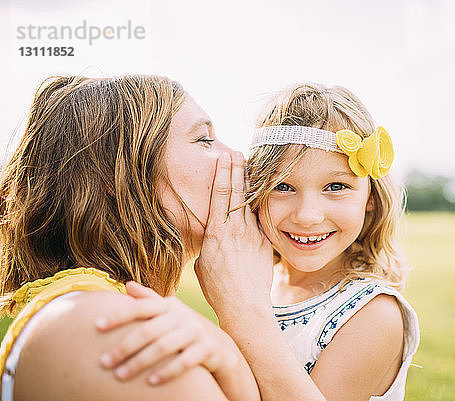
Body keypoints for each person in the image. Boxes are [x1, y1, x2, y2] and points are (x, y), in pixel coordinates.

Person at [99, 83, 420, 400]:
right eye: (283, 186)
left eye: (335, 187)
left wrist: (238, 313)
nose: (307, 215)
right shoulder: (259, 282)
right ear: (256, 192)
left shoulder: (373, 314)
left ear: (370, 199)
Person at [0, 75, 262, 401]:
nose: (239, 157)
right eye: (204, 140)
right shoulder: (111, 326)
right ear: (118, 173)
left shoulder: (100, 312)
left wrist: (232, 361)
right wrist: (248, 314)